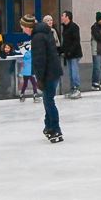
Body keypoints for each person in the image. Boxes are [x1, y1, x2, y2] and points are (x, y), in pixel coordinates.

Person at [21, 13, 64, 144]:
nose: (22, 30)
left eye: (23, 27)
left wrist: (40, 78)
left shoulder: (38, 37)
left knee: (49, 101)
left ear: (28, 27)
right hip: (53, 71)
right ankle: (49, 126)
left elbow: (40, 60)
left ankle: (56, 129)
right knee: (48, 100)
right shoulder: (44, 32)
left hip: (49, 73)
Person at [60, 11, 84, 99]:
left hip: (75, 54)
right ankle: (72, 89)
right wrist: (61, 50)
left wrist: (70, 51)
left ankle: (76, 89)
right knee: (70, 72)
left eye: (63, 16)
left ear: (67, 17)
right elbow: (65, 42)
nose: (61, 17)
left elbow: (76, 41)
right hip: (68, 54)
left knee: (74, 72)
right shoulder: (65, 27)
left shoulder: (74, 27)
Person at [16, 38, 39, 102]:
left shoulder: (25, 54)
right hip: (30, 72)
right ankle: (35, 95)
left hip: (25, 72)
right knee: (34, 83)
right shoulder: (30, 53)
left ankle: (21, 95)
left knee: (25, 84)